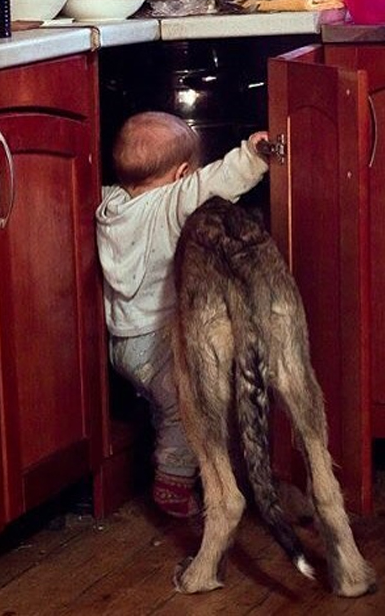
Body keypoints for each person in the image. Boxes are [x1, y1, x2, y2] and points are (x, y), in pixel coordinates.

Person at [95, 111, 270, 518]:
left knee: (164, 404)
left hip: (121, 342)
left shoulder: (110, 203)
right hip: (158, 338)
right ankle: (173, 483)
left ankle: (168, 454)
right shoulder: (173, 202)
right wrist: (255, 156)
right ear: (180, 174)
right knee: (190, 407)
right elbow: (216, 182)